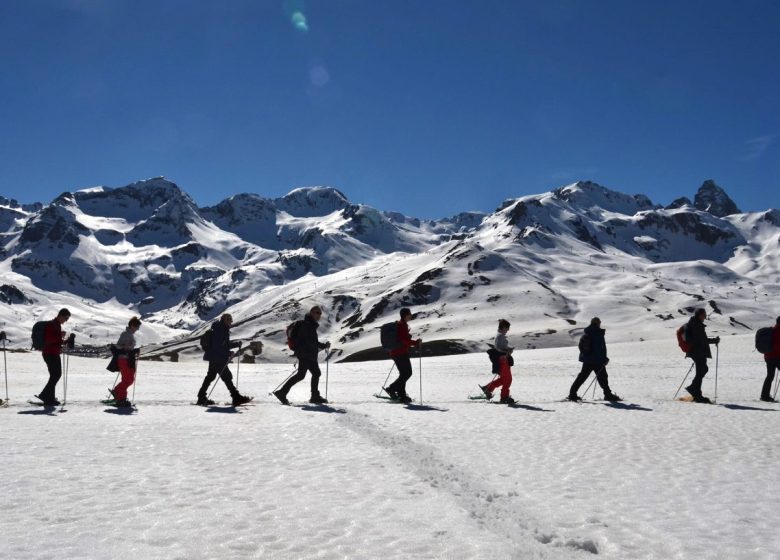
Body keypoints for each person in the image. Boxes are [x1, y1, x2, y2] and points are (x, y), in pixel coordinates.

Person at [274, 306, 331, 405]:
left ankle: (282, 393)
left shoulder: (310, 324)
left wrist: (322, 345)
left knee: (302, 375)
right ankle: (314, 396)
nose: (319, 315)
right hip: (306, 354)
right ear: (311, 312)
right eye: (317, 312)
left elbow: (311, 341)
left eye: (320, 313)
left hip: (306, 354)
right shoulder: (307, 324)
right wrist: (323, 345)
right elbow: (309, 341)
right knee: (315, 373)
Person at [196, 313, 251, 406]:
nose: (231, 322)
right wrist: (229, 353)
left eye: (231, 320)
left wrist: (236, 344)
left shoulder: (221, 329)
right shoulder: (219, 330)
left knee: (211, 377)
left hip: (214, 357)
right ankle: (236, 397)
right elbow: (217, 347)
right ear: (224, 320)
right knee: (227, 377)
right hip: (217, 357)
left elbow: (224, 344)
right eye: (229, 320)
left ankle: (201, 397)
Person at [567, 317, 621, 402]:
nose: (600, 324)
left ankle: (572, 394)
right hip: (596, 360)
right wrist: (604, 358)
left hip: (588, 359)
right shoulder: (597, 333)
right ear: (597, 323)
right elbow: (599, 348)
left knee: (582, 377)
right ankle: (608, 395)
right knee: (603, 377)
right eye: (599, 322)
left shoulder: (588, 332)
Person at [383, 308, 422, 404]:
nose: (411, 315)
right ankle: (391, 388)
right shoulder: (401, 325)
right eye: (409, 314)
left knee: (403, 374)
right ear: (405, 315)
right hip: (400, 353)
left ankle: (402, 395)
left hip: (397, 352)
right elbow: (403, 340)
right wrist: (416, 343)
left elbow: (403, 339)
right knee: (407, 373)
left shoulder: (401, 325)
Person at [684, 308, 720, 403]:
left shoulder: (694, 323)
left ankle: (695, 391)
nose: (705, 316)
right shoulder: (696, 325)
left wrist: (713, 340)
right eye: (704, 314)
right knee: (702, 370)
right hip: (698, 352)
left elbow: (701, 339)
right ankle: (695, 392)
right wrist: (714, 341)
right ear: (699, 315)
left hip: (696, 351)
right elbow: (702, 340)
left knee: (702, 370)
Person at [37, 308, 72, 405]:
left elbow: (55, 340)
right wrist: (60, 337)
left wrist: (63, 339)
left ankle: (49, 397)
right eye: (66, 318)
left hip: (53, 353)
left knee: (55, 375)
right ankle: (45, 395)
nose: (66, 321)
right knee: (56, 375)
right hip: (50, 353)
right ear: (60, 315)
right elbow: (49, 340)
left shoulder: (56, 325)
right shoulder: (51, 324)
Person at [480, 319, 516, 404]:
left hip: (503, 359)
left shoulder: (500, 336)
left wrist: (508, 349)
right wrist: (507, 351)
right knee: (507, 379)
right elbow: (498, 348)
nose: (508, 330)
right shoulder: (500, 336)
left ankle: (488, 389)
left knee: (504, 379)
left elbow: (499, 347)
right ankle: (504, 398)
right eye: (507, 328)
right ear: (503, 327)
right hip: (503, 360)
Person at [110, 317, 141, 408]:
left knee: (127, 379)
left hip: (126, 359)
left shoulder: (129, 334)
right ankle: (119, 396)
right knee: (128, 380)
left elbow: (126, 347)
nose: (137, 329)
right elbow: (119, 346)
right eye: (137, 327)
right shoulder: (126, 334)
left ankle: (120, 396)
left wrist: (134, 350)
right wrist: (128, 348)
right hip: (124, 359)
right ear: (132, 326)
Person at [760, 316, 780, 403]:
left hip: (768, 357)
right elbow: (777, 345)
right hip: (776, 357)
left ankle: (764, 396)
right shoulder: (778, 331)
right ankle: (764, 396)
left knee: (770, 376)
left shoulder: (772, 330)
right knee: (770, 376)